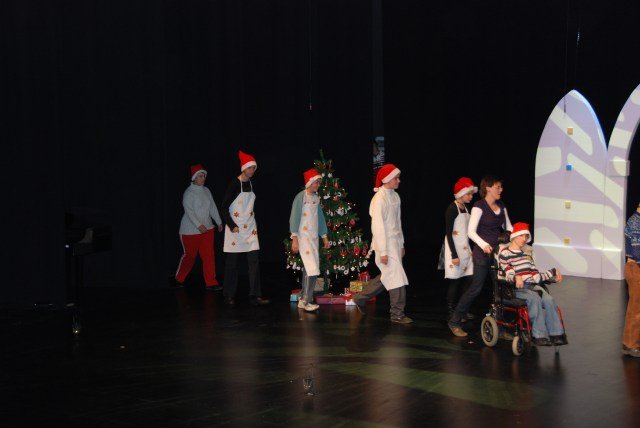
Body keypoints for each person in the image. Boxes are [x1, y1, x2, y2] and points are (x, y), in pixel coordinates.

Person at [448, 175, 512, 337]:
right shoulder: (479, 206)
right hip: (482, 255)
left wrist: (512, 237)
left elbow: (509, 228)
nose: (501, 190)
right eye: (498, 187)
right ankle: (454, 321)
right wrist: (484, 245)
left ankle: (501, 328)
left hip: (498, 255)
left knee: (499, 291)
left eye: (501, 187)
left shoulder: (501, 205)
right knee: (475, 288)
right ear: (488, 188)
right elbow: (471, 232)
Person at [352, 164, 412, 324]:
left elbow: (397, 223)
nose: (399, 181)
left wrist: (401, 244)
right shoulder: (379, 199)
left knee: (388, 276)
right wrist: (383, 251)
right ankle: (397, 314)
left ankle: (359, 298)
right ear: (387, 179)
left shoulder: (395, 196)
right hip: (384, 244)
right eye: (396, 178)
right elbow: (377, 227)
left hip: (395, 243)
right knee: (396, 277)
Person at [498, 222, 566, 346]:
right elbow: (508, 273)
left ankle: (556, 334)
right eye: (522, 236)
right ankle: (538, 335)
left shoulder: (526, 255)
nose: (524, 239)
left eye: (526, 236)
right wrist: (516, 277)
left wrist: (553, 272)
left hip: (532, 286)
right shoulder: (505, 254)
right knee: (534, 298)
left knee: (549, 299)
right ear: (514, 236)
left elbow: (536, 277)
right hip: (516, 289)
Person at [221, 150, 270, 306]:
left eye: (254, 168)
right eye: (250, 168)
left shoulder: (252, 183)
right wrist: (232, 225)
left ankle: (255, 295)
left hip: (249, 228)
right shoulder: (234, 184)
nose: (252, 170)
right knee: (232, 263)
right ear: (243, 168)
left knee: (254, 262)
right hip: (235, 228)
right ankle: (228, 295)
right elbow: (224, 207)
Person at [175, 164, 224, 290]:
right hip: (189, 231)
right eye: (200, 176)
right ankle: (179, 278)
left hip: (207, 229)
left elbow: (212, 207)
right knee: (190, 256)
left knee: (209, 255)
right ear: (194, 178)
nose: (203, 178)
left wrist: (218, 222)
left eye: (204, 176)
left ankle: (211, 283)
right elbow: (189, 212)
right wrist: (198, 225)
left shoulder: (206, 191)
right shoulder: (189, 193)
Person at [289, 168, 330, 312]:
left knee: (311, 268)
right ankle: (306, 300)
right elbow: (294, 217)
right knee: (311, 268)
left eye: (319, 182)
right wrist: (295, 238)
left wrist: (324, 236)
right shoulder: (301, 197)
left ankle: (304, 299)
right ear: (309, 183)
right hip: (303, 237)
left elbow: (320, 218)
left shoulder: (316, 198)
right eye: (316, 182)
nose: (318, 185)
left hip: (313, 239)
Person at [443, 177, 477, 319]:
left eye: (471, 194)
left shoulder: (466, 208)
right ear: (461, 194)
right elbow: (449, 234)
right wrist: (454, 255)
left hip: (465, 250)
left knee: (469, 279)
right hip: (455, 250)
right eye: (468, 194)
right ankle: (452, 311)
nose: (471, 196)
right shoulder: (452, 209)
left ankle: (461, 309)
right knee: (455, 281)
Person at [622, 205, 640, 357]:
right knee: (636, 308)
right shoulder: (635, 222)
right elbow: (636, 252)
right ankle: (630, 344)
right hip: (635, 268)